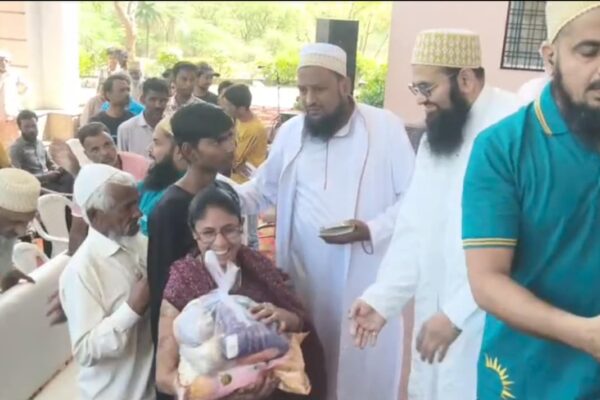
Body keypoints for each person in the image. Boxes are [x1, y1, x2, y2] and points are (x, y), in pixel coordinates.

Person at [236, 43, 416, 400]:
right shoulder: (292, 132)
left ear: (344, 85)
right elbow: (263, 190)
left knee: (358, 372)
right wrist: (215, 194)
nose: (309, 99)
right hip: (303, 278)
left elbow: (414, 199)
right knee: (309, 367)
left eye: (318, 89)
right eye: (303, 90)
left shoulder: (385, 127)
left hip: (363, 275)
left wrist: (371, 229)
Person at [348, 29, 520, 400]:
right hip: (438, 318)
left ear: (466, 79)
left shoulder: (514, 128)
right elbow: (414, 226)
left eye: (426, 88)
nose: (420, 100)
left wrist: (457, 313)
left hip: (489, 321)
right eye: (416, 88)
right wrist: (383, 298)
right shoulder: (437, 136)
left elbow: (521, 243)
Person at [462, 2, 600, 399]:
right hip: (529, 377)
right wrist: (584, 334)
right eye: (589, 51)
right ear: (550, 56)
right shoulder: (503, 148)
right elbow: (487, 281)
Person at [155, 181, 326, 399]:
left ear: (241, 225)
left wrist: (284, 318)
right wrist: (218, 390)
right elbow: (163, 376)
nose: (220, 242)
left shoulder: (258, 268)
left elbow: (299, 326)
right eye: (208, 233)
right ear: (194, 234)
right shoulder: (183, 281)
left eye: (229, 230)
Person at [147, 103, 235, 400]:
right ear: (189, 150)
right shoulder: (169, 209)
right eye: (218, 141)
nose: (230, 147)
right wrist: (168, 364)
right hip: (190, 343)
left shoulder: (225, 193)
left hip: (226, 331)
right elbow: (162, 289)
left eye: (231, 137)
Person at [59, 164, 154, 400]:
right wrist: (132, 309)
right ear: (95, 216)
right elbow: (85, 351)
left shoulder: (140, 242)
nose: (138, 213)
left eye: (136, 203)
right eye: (126, 207)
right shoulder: (82, 270)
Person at [220, 83, 268, 250]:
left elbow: (236, 157)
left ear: (240, 108)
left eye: (228, 106)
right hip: (237, 179)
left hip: (249, 183)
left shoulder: (253, 129)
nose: (225, 109)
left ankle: (254, 258)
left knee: (250, 232)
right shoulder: (240, 121)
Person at [138, 116, 186, 236]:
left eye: (157, 143)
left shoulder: (186, 196)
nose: (149, 150)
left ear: (180, 150)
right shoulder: (155, 182)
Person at [10, 110, 73, 193]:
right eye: (27, 127)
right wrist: (45, 176)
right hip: (36, 186)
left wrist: (57, 168)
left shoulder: (39, 143)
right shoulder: (16, 148)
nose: (31, 130)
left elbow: (49, 163)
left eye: (34, 126)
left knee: (70, 175)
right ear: (20, 128)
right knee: (64, 190)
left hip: (50, 179)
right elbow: (19, 177)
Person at [0, 168, 40, 292]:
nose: (21, 232)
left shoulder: (6, 231)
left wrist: (7, 273)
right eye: (15, 221)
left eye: (26, 222)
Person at [118, 78, 170, 158]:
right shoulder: (126, 129)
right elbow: (122, 159)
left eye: (162, 100)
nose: (158, 105)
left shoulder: (171, 128)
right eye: (153, 100)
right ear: (142, 99)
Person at [90, 74, 135, 141]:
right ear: (108, 94)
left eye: (128, 90)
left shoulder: (132, 120)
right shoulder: (96, 122)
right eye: (122, 90)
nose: (127, 94)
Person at [0, 50, 28, 148]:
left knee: (14, 140)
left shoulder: (14, 75)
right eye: (0, 60)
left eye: (5, 61)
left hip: (12, 114)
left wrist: (18, 98)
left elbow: (25, 87)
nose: (3, 63)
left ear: (9, 62)